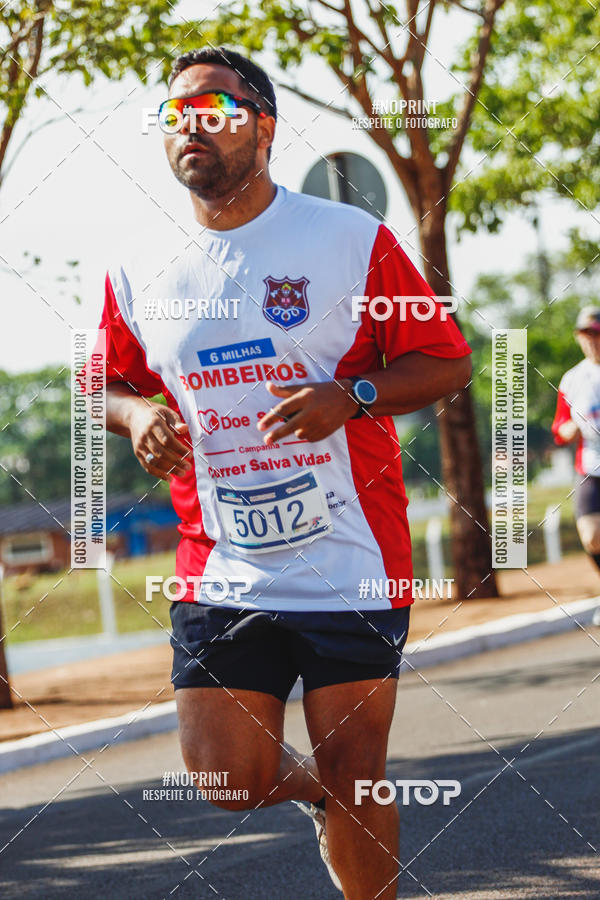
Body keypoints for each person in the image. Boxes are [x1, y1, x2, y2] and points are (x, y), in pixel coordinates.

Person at [98, 47, 472, 899]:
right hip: (219, 563)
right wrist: (136, 415)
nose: (190, 124)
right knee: (226, 779)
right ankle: (327, 797)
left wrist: (353, 394)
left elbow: (447, 364)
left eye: (214, 108)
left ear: (263, 126)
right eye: (174, 113)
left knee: (358, 765)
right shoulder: (135, 266)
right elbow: (105, 388)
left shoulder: (349, 239)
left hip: (350, 558)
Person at [553, 306, 600, 575]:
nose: (591, 340)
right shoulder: (572, 379)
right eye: (585, 334)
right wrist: (566, 430)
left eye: (596, 333)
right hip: (591, 468)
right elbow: (558, 426)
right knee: (592, 536)